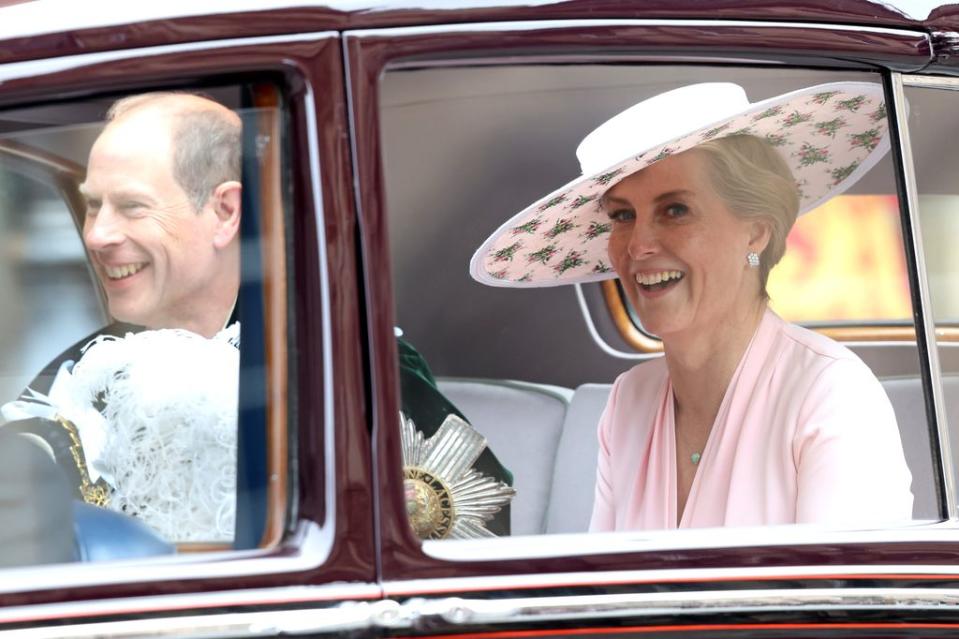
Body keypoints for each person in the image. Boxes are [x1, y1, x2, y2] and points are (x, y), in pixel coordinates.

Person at [3, 91, 513, 540]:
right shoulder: (82, 368)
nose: (97, 234)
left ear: (225, 212)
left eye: (133, 207)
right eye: (93, 206)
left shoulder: (342, 373)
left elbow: (455, 544)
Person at [470, 81, 913, 530]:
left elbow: (847, 598)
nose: (639, 245)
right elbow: (609, 589)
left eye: (676, 210)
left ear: (755, 232)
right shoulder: (630, 401)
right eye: (623, 216)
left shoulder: (828, 392)